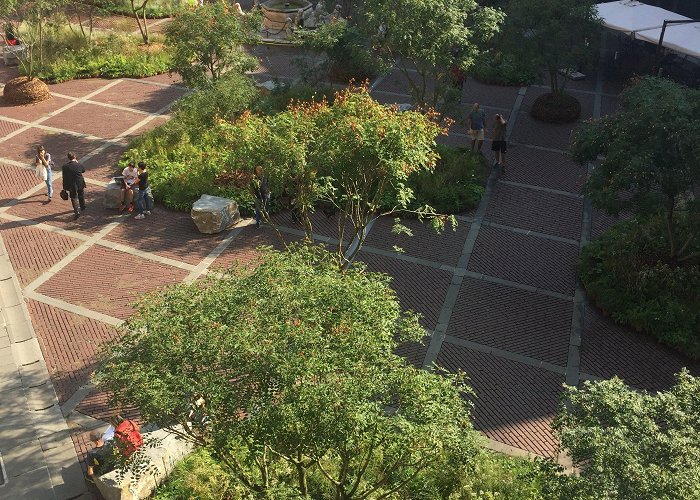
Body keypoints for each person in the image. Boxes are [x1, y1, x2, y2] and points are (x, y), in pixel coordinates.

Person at [62, 152, 86, 220]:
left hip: (71, 185)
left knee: (73, 198)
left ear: (68, 158)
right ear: (74, 157)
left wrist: (64, 187)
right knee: (81, 194)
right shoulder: (78, 165)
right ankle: (83, 206)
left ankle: (76, 212)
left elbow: (64, 177)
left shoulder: (65, 167)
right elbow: (83, 170)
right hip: (80, 183)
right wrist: (77, 162)